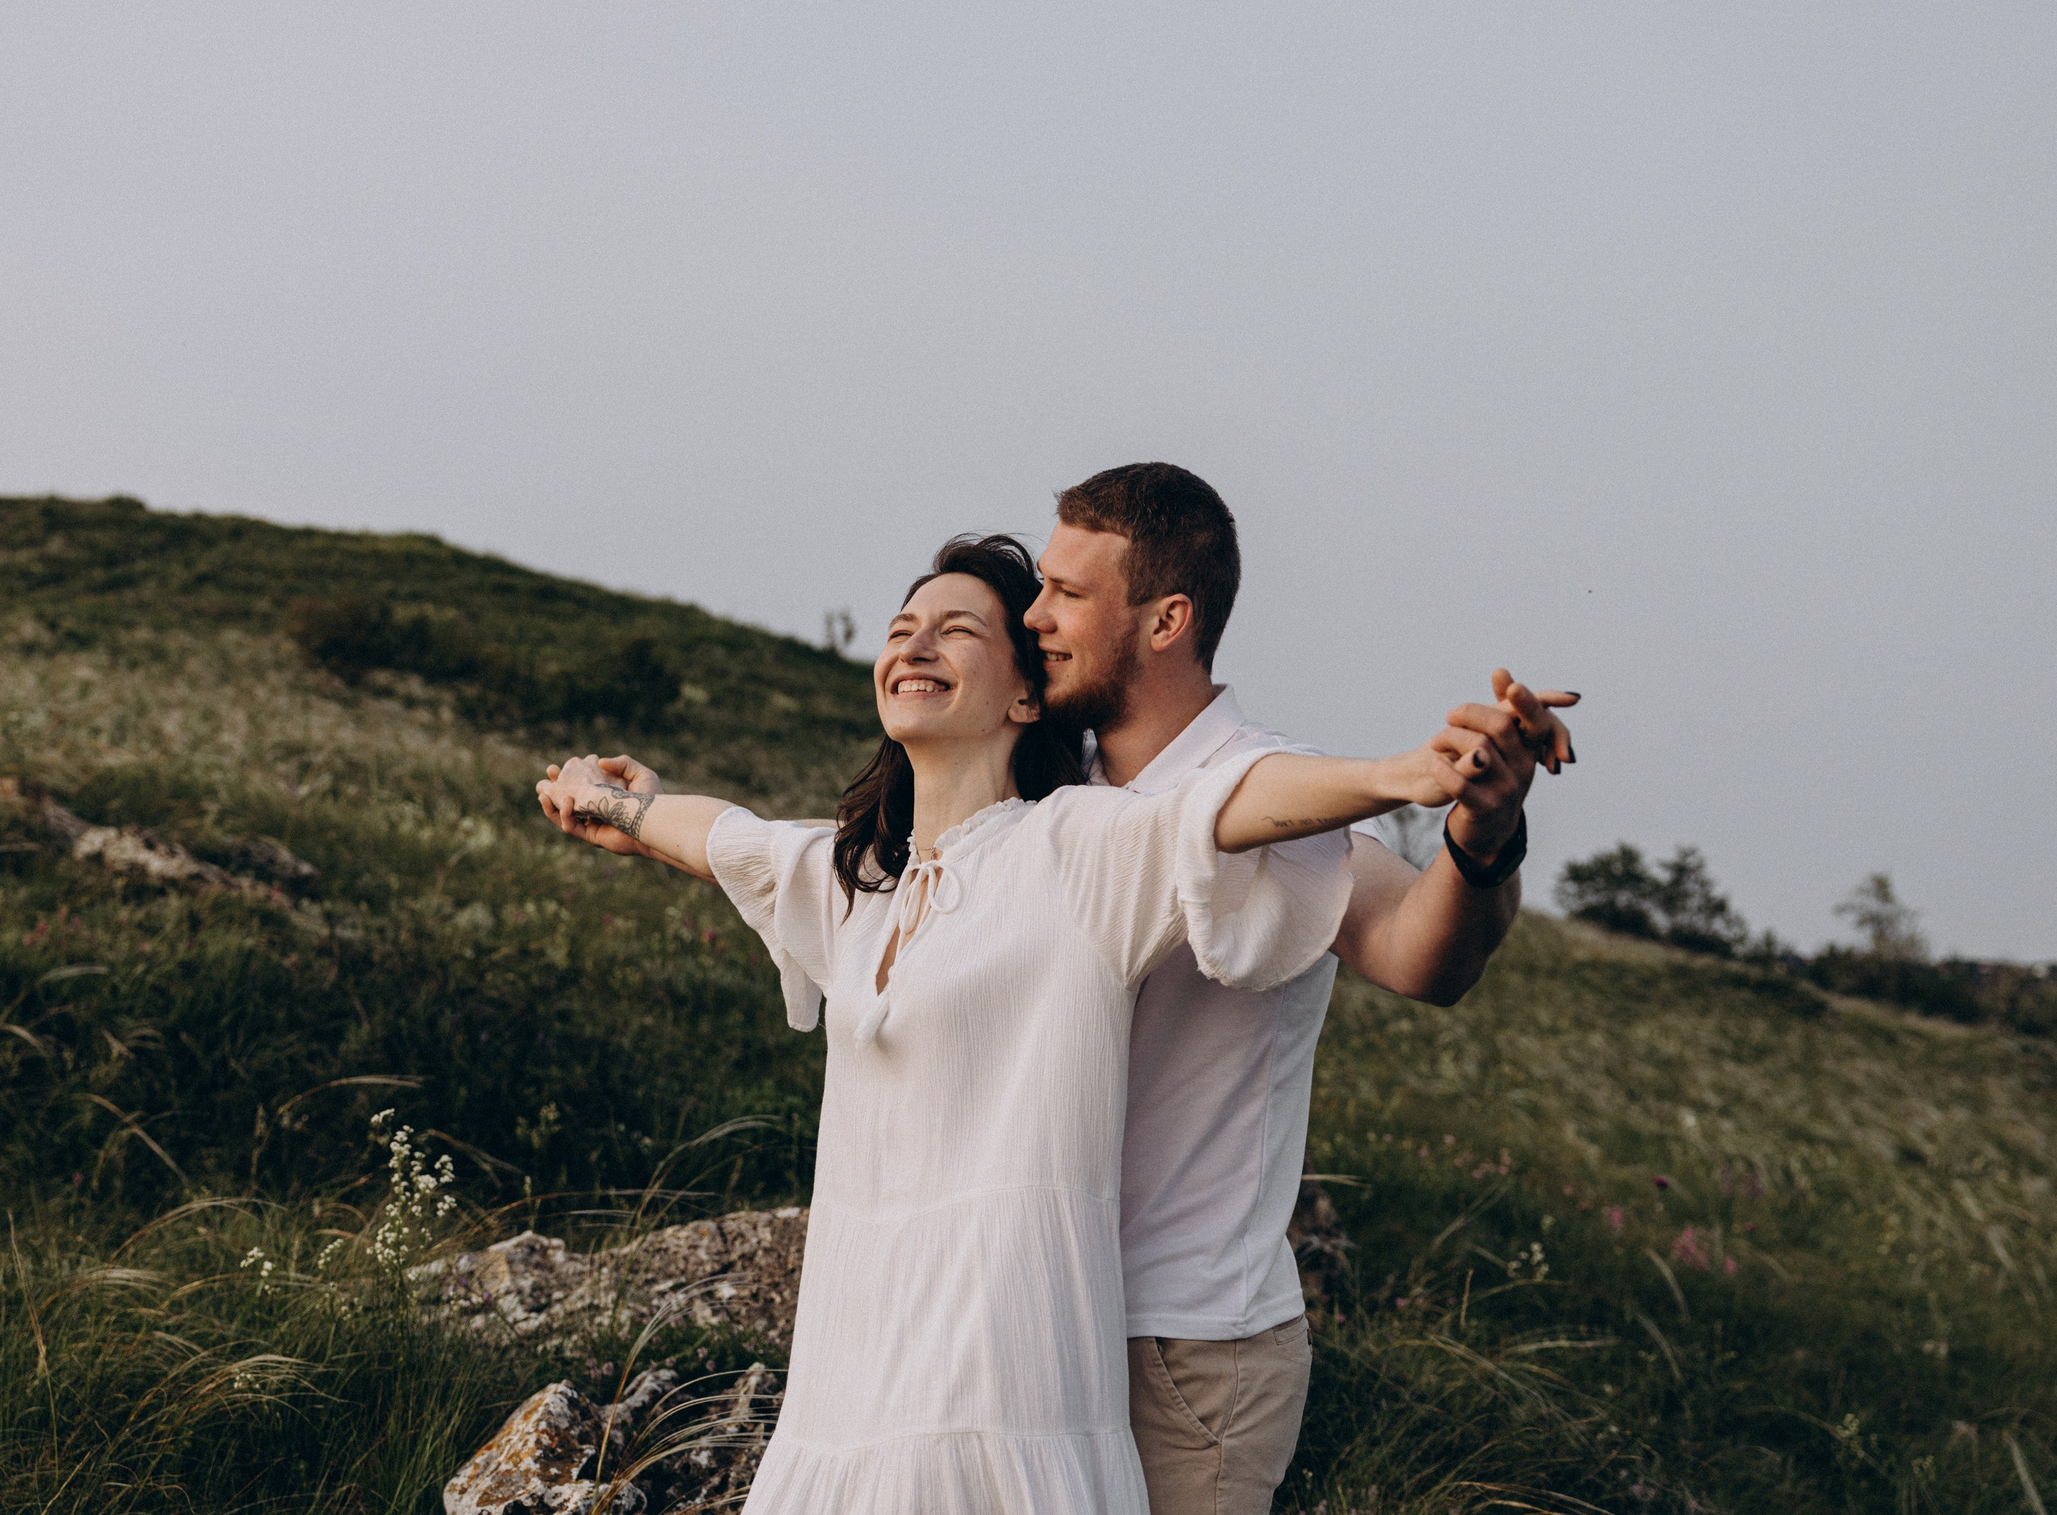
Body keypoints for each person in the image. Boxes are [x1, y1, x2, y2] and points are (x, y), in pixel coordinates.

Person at [536, 533, 1541, 1515]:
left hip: (1048, 1371)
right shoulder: (860, 877)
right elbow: (736, 842)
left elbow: (1222, 811)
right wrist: (622, 810)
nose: (919, 645)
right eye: (902, 626)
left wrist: (1408, 778)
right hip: (858, 1376)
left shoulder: (1082, 844)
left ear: (1036, 687)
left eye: (971, 627)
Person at [1025, 462, 1573, 1515]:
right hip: (1044, 1316)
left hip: (1188, 1341)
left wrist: (1482, 832)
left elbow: (1422, 958)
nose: (1035, 615)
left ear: (1165, 620)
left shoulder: (1274, 786)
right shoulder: (1050, 775)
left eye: (1067, 594)